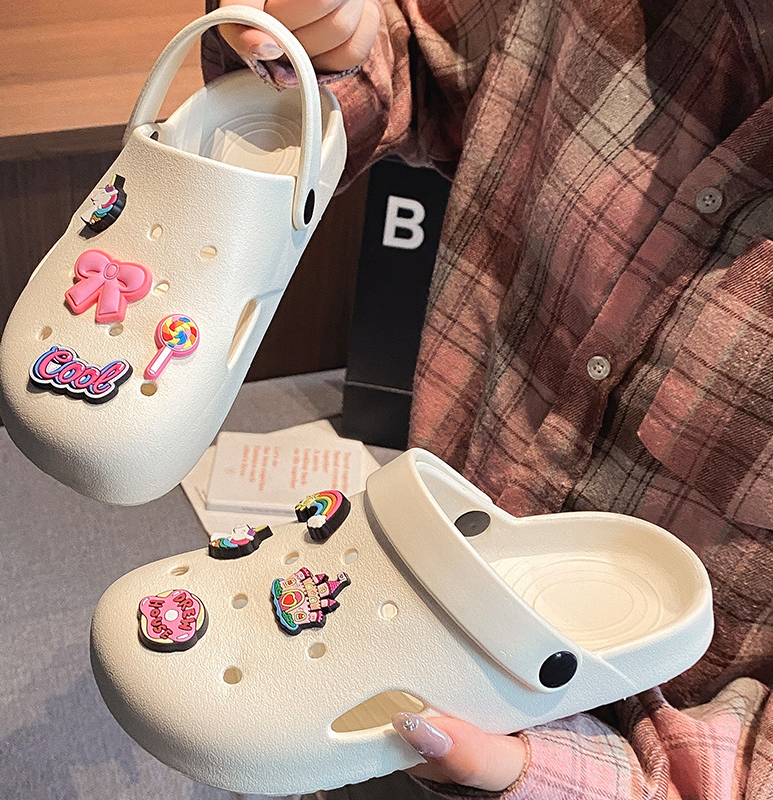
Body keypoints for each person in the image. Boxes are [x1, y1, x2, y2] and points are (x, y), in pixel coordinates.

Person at [203, 1, 773, 797]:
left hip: (645, 760)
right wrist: (330, 43)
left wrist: (577, 779)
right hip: (406, 596)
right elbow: (423, 52)